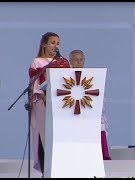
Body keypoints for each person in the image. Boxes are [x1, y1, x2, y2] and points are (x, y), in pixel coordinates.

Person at [28, 32, 70, 174]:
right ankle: (47, 170)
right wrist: (44, 97)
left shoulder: (63, 62)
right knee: (44, 135)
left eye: (58, 43)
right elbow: (35, 85)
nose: (55, 46)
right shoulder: (37, 62)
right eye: (52, 42)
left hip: (61, 104)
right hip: (43, 102)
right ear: (44, 44)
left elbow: (69, 82)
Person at [69, 49, 112, 160]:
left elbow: (98, 94)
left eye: (81, 59)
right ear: (70, 61)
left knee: (99, 126)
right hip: (72, 114)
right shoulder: (65, 77)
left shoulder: (91, 77)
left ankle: (102, 156)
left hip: (91, 112)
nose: (79, 62)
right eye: (76, 60)